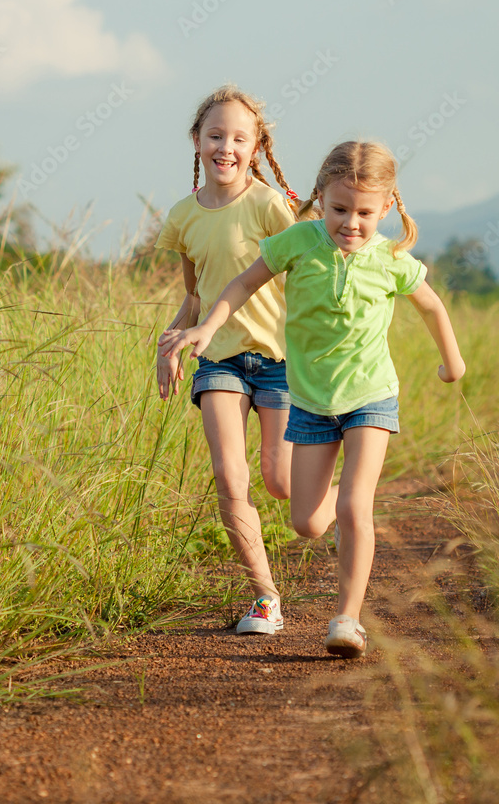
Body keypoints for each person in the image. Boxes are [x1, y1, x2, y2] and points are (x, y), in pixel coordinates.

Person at [162, 140, 464, 657]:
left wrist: (451, 362)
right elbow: (241, 284)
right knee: (305, 521)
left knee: (353, 508)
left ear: (386, 207)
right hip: (309, 402)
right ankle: (351, 495)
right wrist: (208, 326)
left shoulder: (390, 257)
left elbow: (432, 306)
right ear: (321, 199)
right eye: (340, 209)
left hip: (370, 397)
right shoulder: (298, 243)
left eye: (365, 213)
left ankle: (347, 619)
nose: (351, 223)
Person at [155, 85, 299, 636]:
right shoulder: (183, 216)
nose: (226, 148)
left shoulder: (268, 205)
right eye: (216, 135)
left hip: (278, 358)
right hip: (219, 360)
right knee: (228, 474)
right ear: (197, 140)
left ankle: (347, 503)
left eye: (240, 138)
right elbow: (195, 298)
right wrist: (170, 343)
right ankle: (265, 598)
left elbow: (302, 272)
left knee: (279, 480)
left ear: (256, 144)